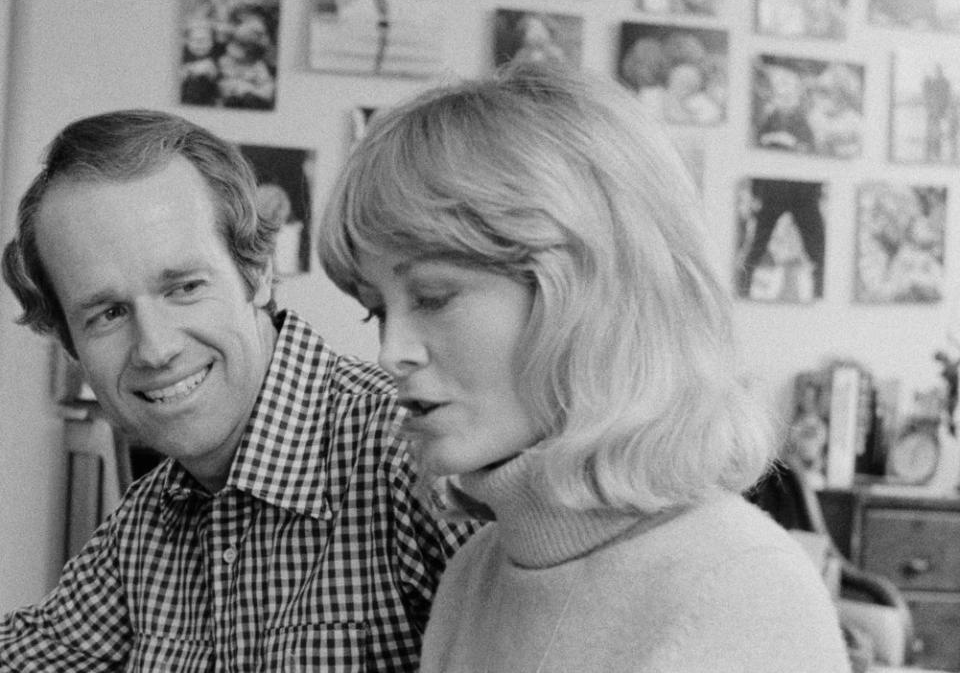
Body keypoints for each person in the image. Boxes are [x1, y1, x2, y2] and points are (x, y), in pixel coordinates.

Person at [317, 62, 851, 672]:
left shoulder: (740, 589)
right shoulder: (475, 573)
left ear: (588, 292)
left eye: (434, 297)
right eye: (375, 311)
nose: (391, 353)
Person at [0, 110, 476, 671]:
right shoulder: (147, 524)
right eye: (107, 313)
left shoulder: (414, 453)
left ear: (258, 273)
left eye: (183, 287)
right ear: (71, 344)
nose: (155, 349)